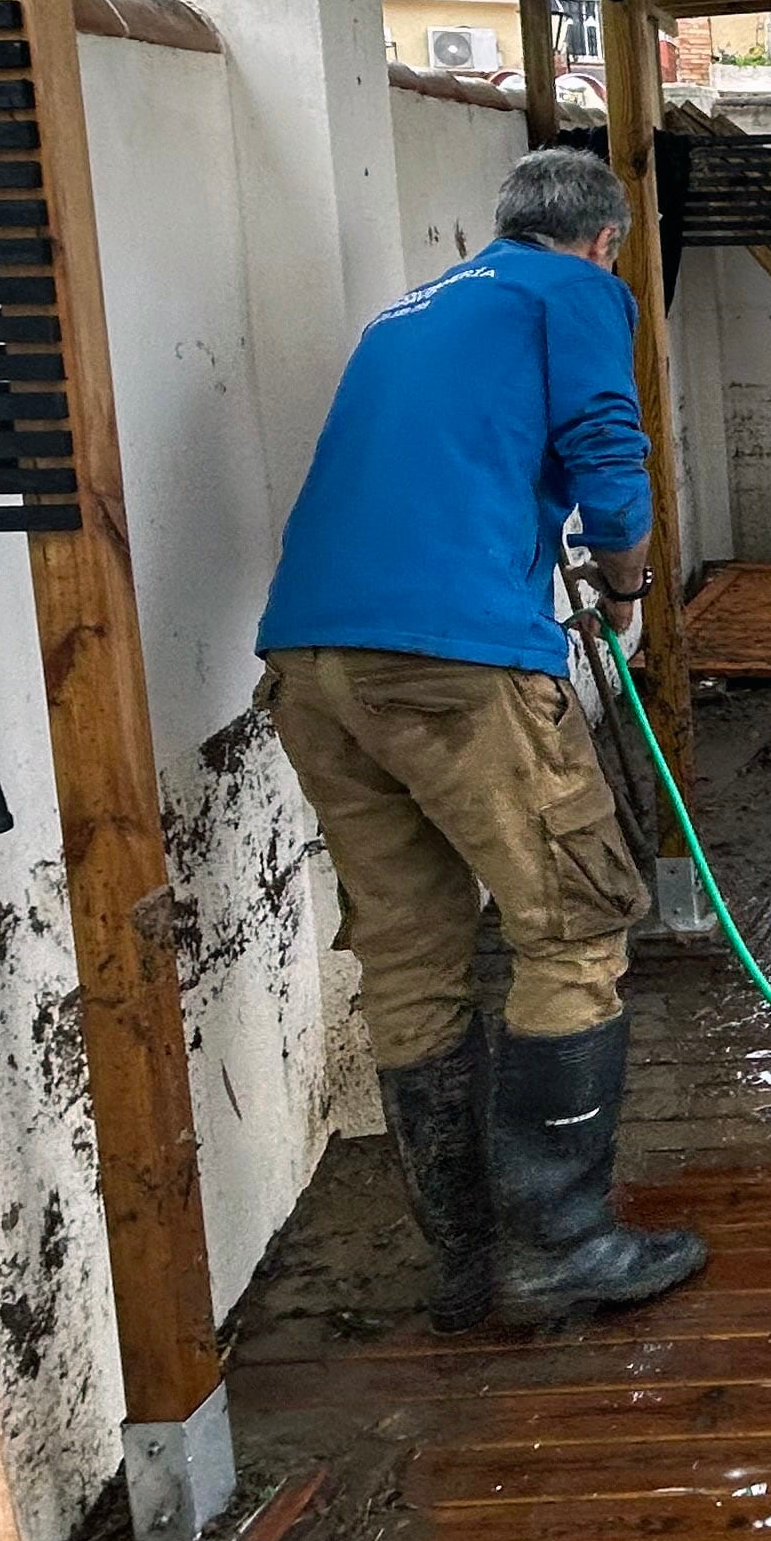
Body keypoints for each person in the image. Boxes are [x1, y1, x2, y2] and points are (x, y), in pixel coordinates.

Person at [255, 146, 705, 1336]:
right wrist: (627, 584)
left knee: (410, 953)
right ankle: (559, 1245)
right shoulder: (578, 292)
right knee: (573, 922)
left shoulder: (411, 310)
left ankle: (466, 1259)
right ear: (604, 239)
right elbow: (610, 451)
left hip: (310, 661)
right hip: (449, 662)